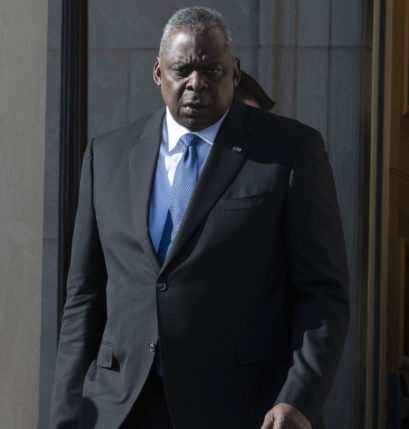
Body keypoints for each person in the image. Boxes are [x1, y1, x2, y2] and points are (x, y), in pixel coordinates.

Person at [50, 7, 348, 429]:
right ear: (158, 73)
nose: (196, 83)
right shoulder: (108, 156)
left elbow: (322, 292)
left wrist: (298, 398)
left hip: (239, 406)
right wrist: (65, 415)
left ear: (235, 72)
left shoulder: (289, 150)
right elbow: (84, 298)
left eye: (212, 70)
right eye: (182, 70)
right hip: (119, 407)